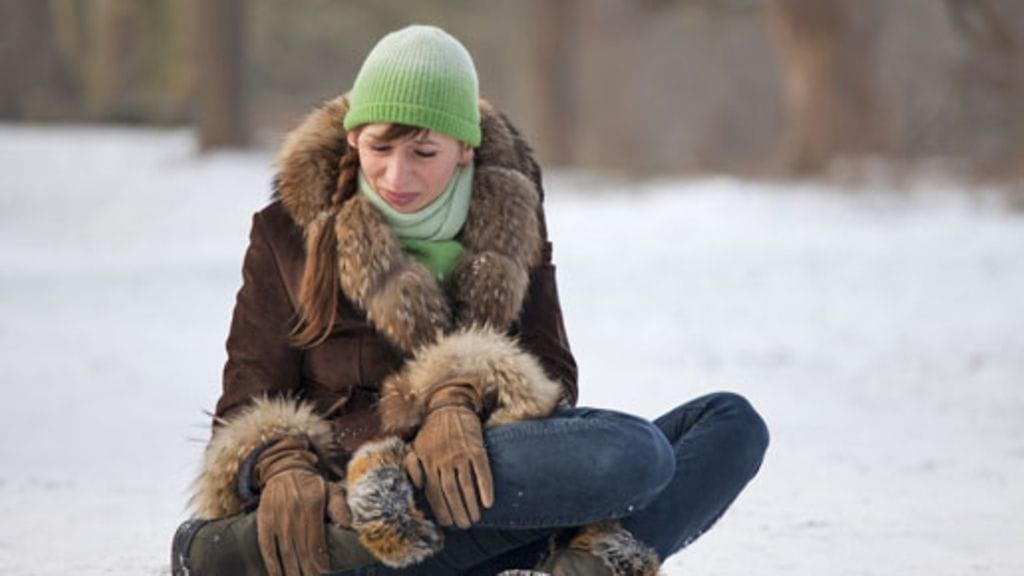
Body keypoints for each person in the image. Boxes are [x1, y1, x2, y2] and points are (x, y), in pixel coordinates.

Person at [171, 24, 768, 576]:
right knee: (636, 457)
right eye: (380, 149)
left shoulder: (508, 221)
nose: (397, 176)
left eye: (423, 153)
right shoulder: (287, 233)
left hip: (490, 485)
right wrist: (282, 466)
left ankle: (579, 566)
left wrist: (459, 396)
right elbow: (245, 405)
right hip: (358, 500)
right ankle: (353, 526)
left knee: (727, 423)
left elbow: (554, 377)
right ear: (354, 136)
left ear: (465, 149)